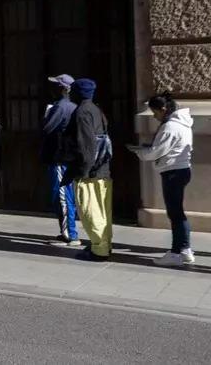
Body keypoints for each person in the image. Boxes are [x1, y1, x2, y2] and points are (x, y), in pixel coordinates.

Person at [129, 92, 194, 267]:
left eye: (155, 112)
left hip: (173, 171)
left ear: (163, 109)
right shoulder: (182, 123)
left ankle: (176, 252)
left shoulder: (170, 127)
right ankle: (185, 249)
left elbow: (156, 151)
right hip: (181, 169)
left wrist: (139, 152)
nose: (154, 116)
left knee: (175, 213)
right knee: (178, 212)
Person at [64, 78, 113, 262]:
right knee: (103, 212)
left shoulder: (82, 112)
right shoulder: (96, 109)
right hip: (102, 169)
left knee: (90, 211)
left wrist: (84, 170)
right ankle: (104, 245)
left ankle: (99, 250)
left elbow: (87, 144)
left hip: (90, 171)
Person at [42, 74, 80, 246]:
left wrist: (47, 113)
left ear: (64, 89)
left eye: (56, 85)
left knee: (62, 196)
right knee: (66, 196)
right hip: (66, 157)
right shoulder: (73, 106)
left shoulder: (60, 107)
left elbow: (47, 127)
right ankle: (67, 231)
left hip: (59, 158)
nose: (52, 89)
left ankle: (70, 234)